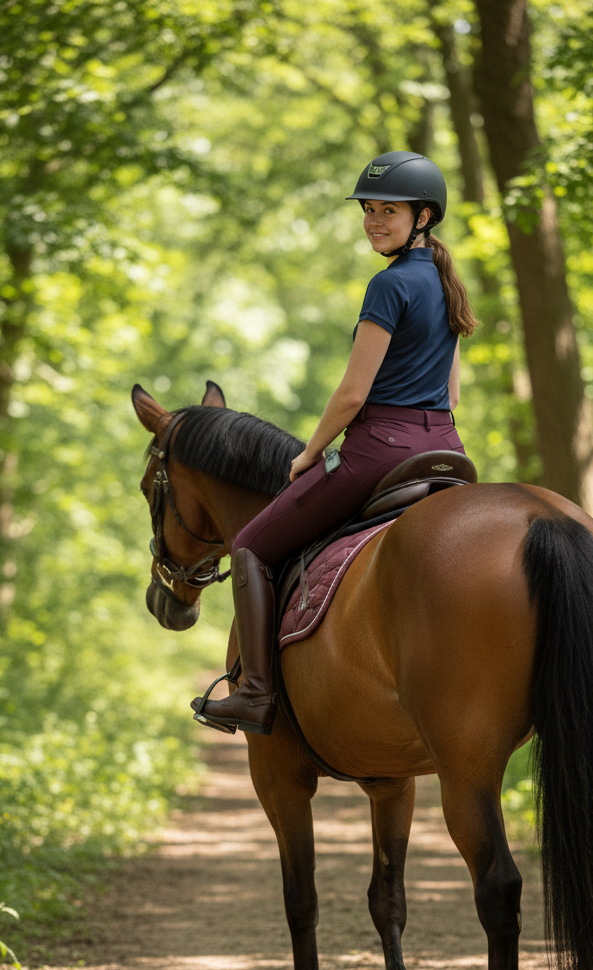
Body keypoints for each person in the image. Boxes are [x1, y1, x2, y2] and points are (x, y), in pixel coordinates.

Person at [194, 149, 478, 736]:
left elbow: (352, 394)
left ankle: (255, 693)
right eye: (368, 210)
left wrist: (308, 454)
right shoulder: (447, 283)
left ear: (423, 217)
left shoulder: (389, 285)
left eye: (388, 211)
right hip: (447, 449)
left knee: (249, 547)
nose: (373, 221)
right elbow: (451, 393)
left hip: (380, 450)